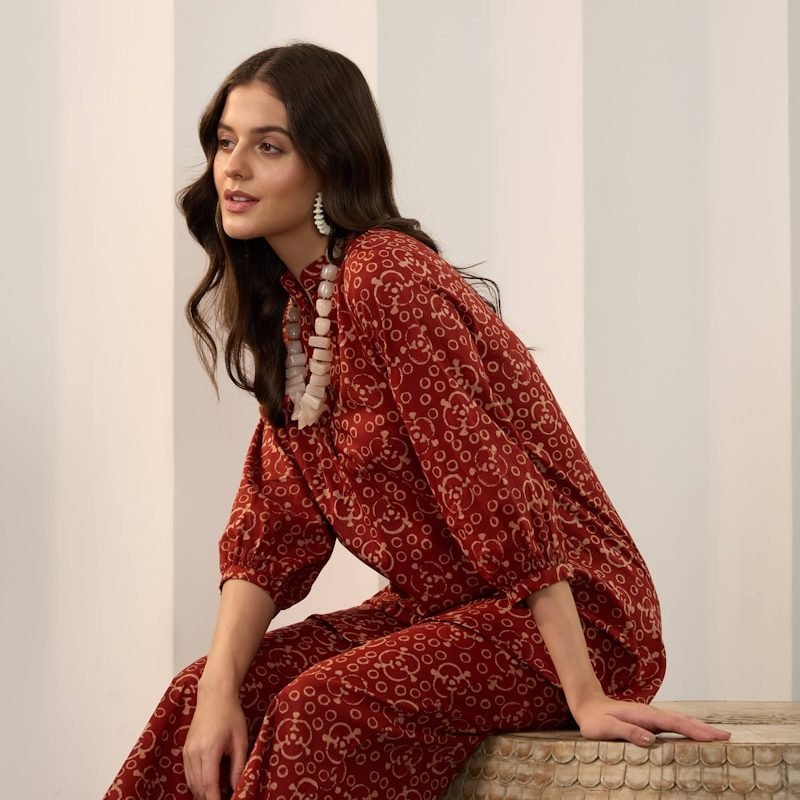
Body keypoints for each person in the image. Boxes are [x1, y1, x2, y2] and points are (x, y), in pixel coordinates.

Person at [103, 42, 729, 800]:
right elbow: (275, 527)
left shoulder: (387, 275)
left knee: (315, 713)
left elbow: (496, 493)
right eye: (225, 143)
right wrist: (215, 694)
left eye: (269, 146)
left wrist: (586, 693)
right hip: (443, 610)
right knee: (193, 698)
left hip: (576, 617)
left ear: (329, 165)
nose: (231, 169)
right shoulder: (298, 316)